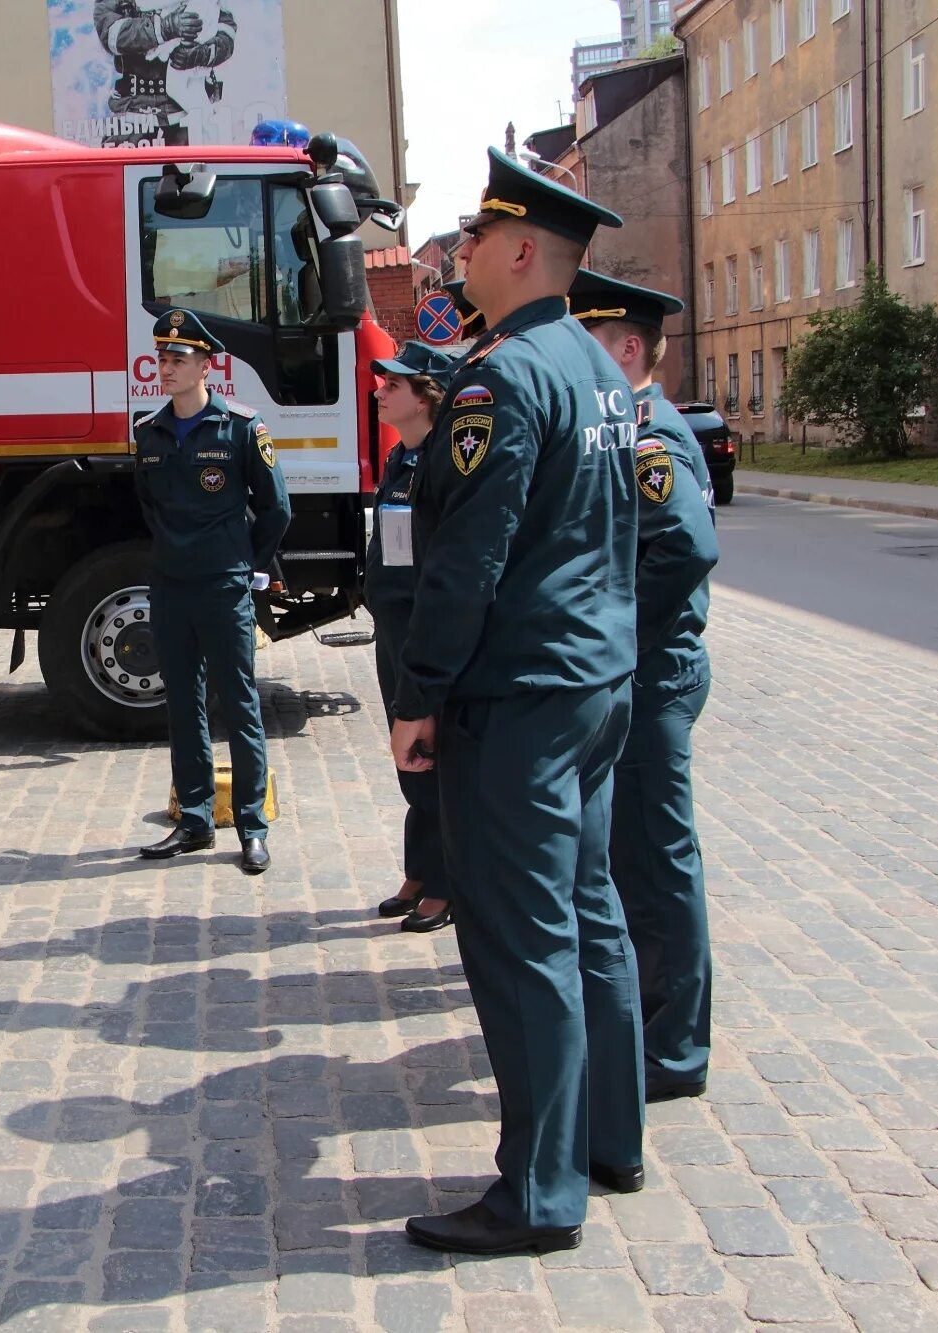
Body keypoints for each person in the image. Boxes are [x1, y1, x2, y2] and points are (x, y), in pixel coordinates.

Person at [390, 149, 644, 1256]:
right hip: (593, 681)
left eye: (476, 240)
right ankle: (604, 1138)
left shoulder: (504, 379)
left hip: (522, 695)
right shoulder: (594, 367)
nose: (458, 254)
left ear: (524, 251)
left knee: (520, 937)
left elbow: (465, 561)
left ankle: (537, 1193)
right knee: (586, 911)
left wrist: (417, 693)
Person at [569, 269, 720, 1103]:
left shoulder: (650, 435)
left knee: (660, 861)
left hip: (655, 669)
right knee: (633, 854)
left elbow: (687, 550)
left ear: (627, 349)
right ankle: (648, 1026)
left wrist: (617, 624)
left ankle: (673, 1048)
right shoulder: (625, 426)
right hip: (639, 665)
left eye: (591, 346)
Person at [133, 308, 290, 874]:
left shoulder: (243, 428)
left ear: (207, 364)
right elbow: (150, 507)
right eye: (161, 357)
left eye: (178, 359)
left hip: (224, 588)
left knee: (241, 705)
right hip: (171, 588)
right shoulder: (147, 432)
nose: (166, 367)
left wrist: (248, 563)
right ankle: (195, 820)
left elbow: (276, 509)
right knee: (183, 706)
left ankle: (252, 825)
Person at [365, 341, 458, 934]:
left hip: (426, 631)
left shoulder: (444, 463)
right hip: (393, 630)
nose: (380, 390)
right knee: (411, 759)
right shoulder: (401, 458)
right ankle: (422, 868)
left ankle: (450, 882)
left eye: (393, 384)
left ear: (427, 396)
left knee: (437, 757)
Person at [94, 1, 236, 147]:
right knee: (122, 166)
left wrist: (203, 54)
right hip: (134, 112)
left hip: (189, 112)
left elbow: (226, 29)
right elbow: (111, 35)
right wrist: (163, 28)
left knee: (201, 164)